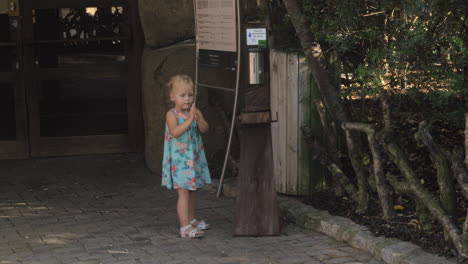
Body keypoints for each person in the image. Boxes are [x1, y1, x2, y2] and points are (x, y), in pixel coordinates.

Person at [161, 74, 212, 238]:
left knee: (193, 190)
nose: (187, 99)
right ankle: (184, 227)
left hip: (194, 159)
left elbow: (205, 129)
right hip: (180, 162)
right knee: (183, 192)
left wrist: (198, 118)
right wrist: (189, 120)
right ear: (172, 96)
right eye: (182, 95)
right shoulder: (172, 115)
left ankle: (191, 219)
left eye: (190, 95)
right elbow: (175, 132)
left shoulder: (194, 111)